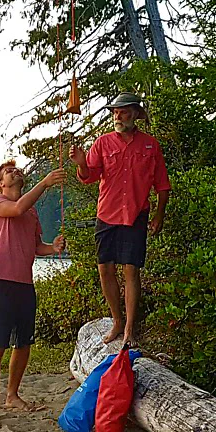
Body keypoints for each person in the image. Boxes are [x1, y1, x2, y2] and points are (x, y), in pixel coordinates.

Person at [68, 92, 170, 347]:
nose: (118, 115)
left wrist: (159, 215)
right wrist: (81, 164)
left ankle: (129, 329)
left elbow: (163, 185)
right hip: (107, 214)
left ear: (135, 114)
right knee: (105, 270)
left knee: (131, 271)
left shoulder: (150, 145)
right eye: (115, 111)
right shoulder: (102, 143)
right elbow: (89, 176)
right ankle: (116, 320)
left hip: (136, 214)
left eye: (123, 111)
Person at [0, 160, 67, 430]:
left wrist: (52, 247)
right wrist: (44, 182)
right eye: (9, 172)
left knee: (24, 343)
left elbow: (35, 247)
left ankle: (12, 396)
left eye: (17, 170)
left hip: (24, 284)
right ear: (0, 184)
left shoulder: (31, 214)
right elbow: (16, 208)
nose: (15, 172)